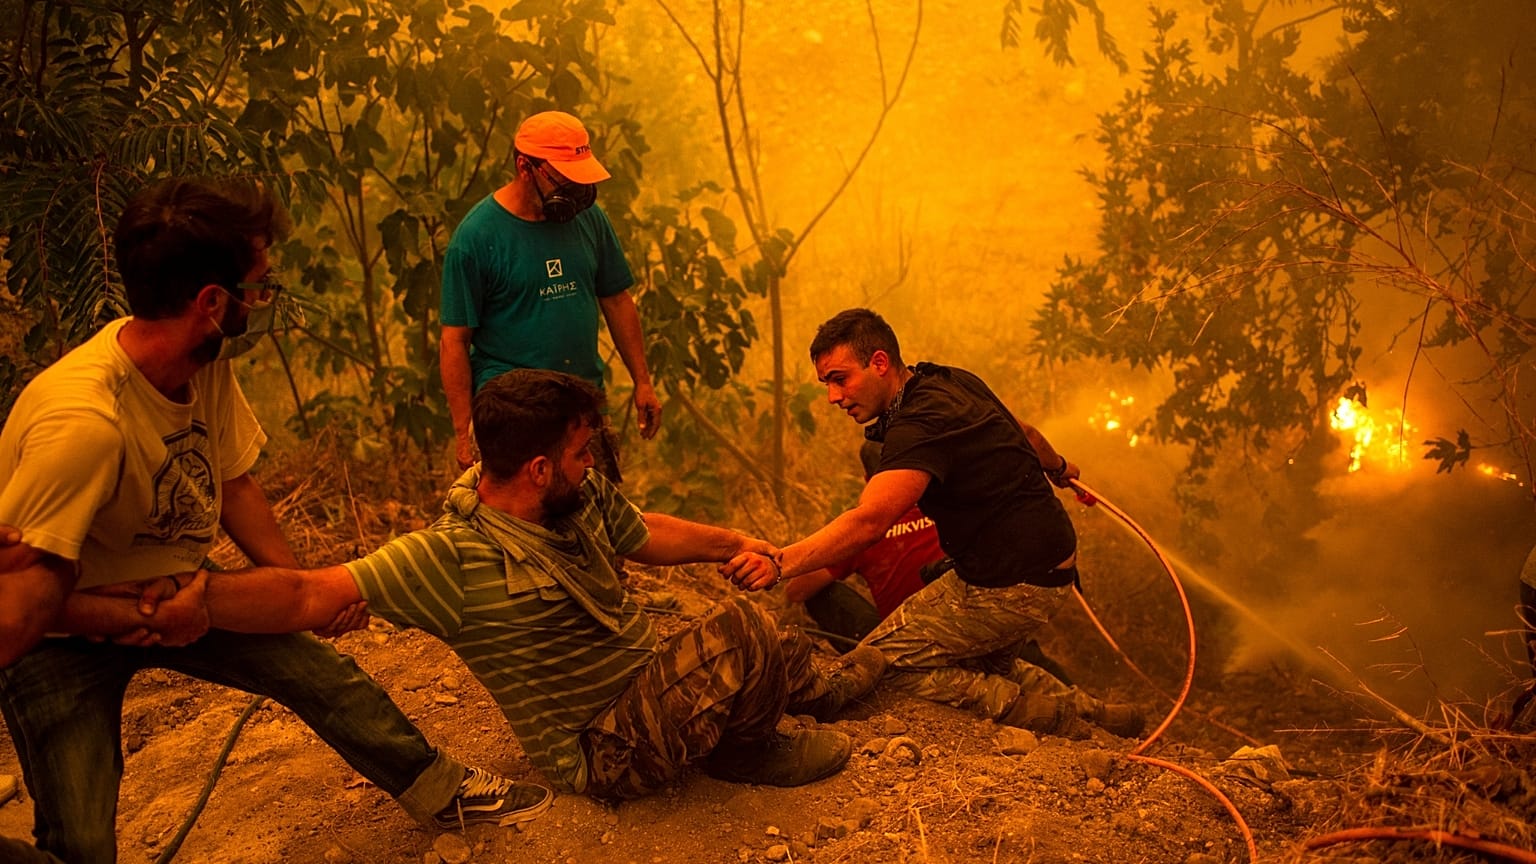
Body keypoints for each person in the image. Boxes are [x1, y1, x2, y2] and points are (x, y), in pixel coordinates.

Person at [0, 178, 548, 864]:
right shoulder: (81, 425)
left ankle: (441, 788)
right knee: (81, 843)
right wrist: (138, 617)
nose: (261, 301)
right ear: (211, 302)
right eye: (258, 287)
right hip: (63, 636)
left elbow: (233, 485)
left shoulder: (202, 367)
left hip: (181, 590)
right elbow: (16, 611)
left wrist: (300, 592)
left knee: (319, 675)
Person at [150, 369, 885, 800]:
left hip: (642, 689)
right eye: (579, 453)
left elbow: (644, 532)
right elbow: (310, 595)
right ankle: (746, 750)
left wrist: (736, 542)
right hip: (601, 749)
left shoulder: (575, 496)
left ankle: (813, 689)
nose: (591, 463)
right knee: (744, 630)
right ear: (538, 469)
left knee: (759, 597)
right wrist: (203, 597)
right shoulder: (449, 557)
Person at [725, 308, 1141, 739]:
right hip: (1053, 563)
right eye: (826, 383)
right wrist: (1059, 468)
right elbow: (1030, 436)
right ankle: (1094, 712)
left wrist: (778, 562)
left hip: (1008, 584)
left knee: (881, 667)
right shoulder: (952, 379)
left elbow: (869, 522)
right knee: (984, 660)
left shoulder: (916, 427)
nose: (833, 396)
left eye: (839, 378)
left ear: (880, 363)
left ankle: (1033, 713)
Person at [440, 110, 661, 478]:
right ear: (526, 167)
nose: (575, 190)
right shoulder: (477, 238)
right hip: (515, 415)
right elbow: (454, 341)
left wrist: (643, 381)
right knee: (526, 529)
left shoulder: (589, 220)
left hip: (583, 406)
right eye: (564, 178)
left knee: (599, 522)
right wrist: (464, 432)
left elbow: (617, 300)